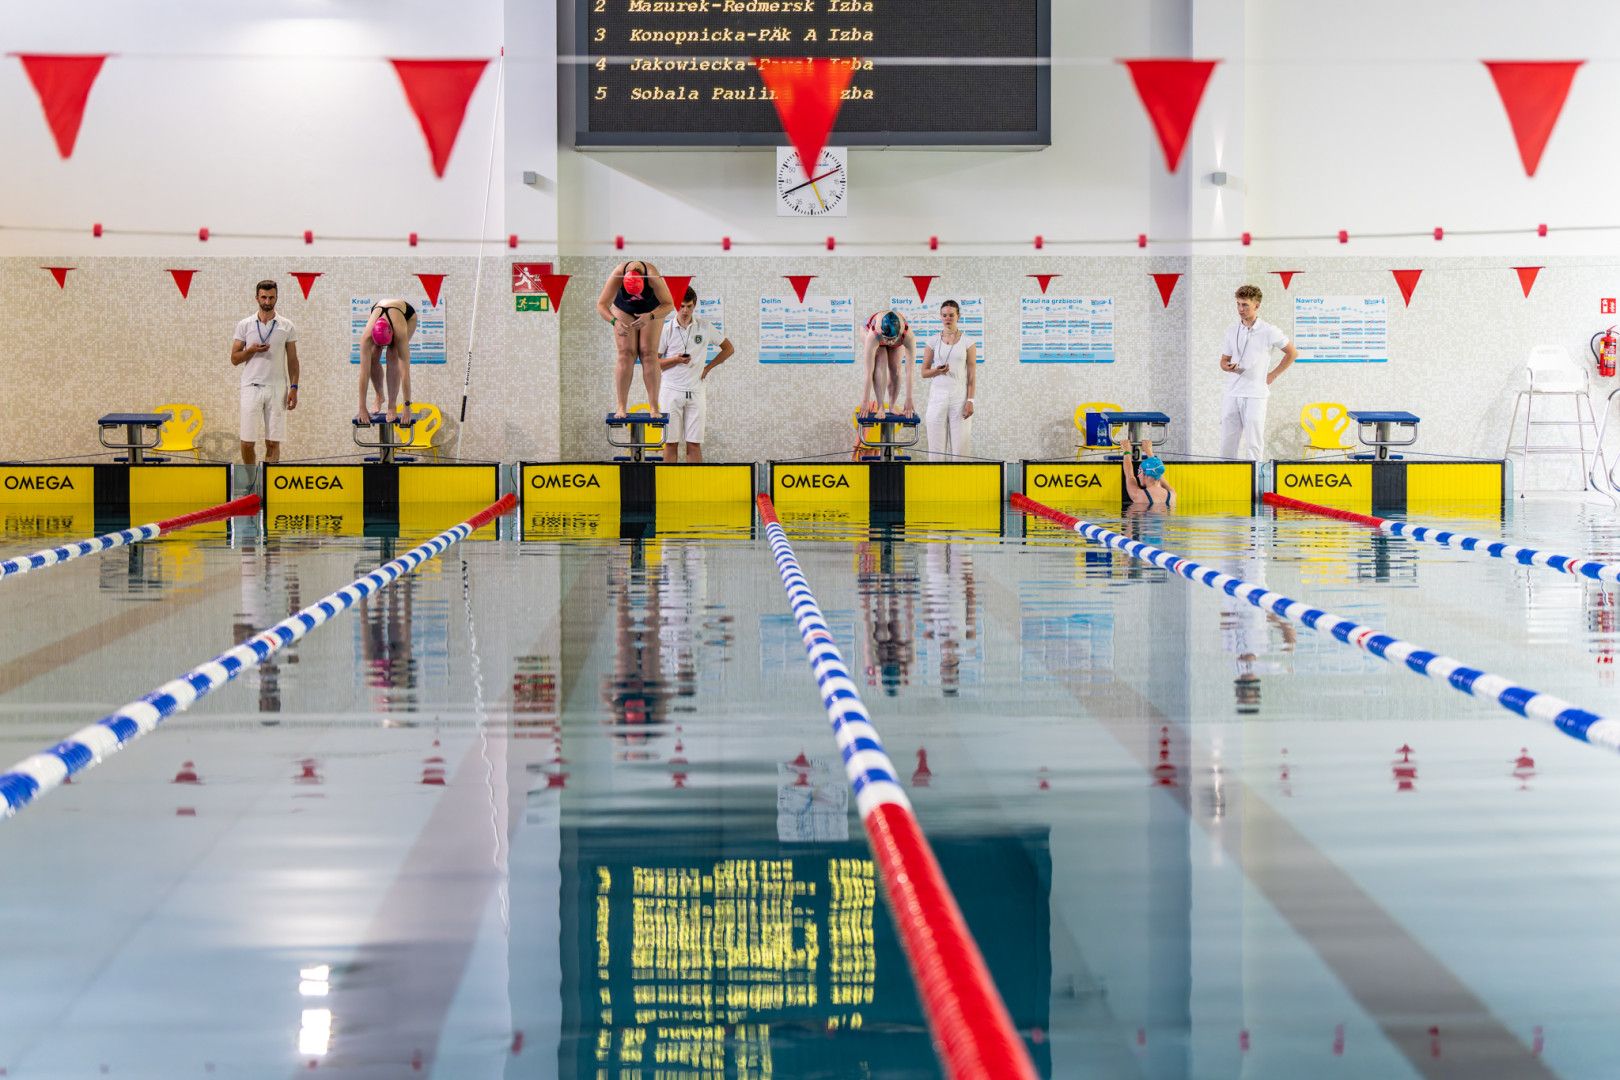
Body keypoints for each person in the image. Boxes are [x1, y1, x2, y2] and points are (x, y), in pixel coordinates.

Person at [1218, 284, 1297, 460]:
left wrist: (1273, 375)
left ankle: (1255, 477)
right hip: (1232, 392)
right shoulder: (1231, 330)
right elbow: (1223, 360)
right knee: (1227, 441)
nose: (1240, 309)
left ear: (1257, 305)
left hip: (1256, 394)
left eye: (1245, 305)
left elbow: (1292, 353)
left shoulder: (1269, 331)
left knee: (1254, 442)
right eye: (1238, 304)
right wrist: (1226, 366)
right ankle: (1224, 475)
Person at [657, 287, 735, 463]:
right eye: (682, 306)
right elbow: (653, 362)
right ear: (676, 305)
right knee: (670, 443)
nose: (685, 311)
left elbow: (729, 348)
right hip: (671, 391)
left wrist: (708, 368)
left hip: (696, 391)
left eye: (689, 306)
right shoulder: (666, 329)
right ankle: (669, 480)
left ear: (694, 306)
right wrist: (675, 359)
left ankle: (694, 480)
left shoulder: (705, 327)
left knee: (694, 443)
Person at [231, 279, 300, 464]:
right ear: (257, 298)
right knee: (247, 443)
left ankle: (268, 480)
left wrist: (294, 387)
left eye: (271, 297)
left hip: (277, 388)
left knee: (272, 442)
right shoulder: (245, 324)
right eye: (264, 297)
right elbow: (234, 359)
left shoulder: (286, 325)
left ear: (276, 297)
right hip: (251, 386)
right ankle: (251, 478)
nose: (267, 302)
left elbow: (293, 360)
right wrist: (251, 350)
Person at [596, 260, 676, 418]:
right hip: (623, 309)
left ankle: (654, 407)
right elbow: (601, 304)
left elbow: (669, 304)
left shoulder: (652, 276)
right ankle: (621, 407)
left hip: (652, 308)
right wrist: (614, 321)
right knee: (626, 353)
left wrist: (651, 316)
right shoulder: (617, 274)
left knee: (649, 353)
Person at [920, 299, 976, 458]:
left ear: (958, 316)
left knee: (960, 449)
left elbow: (971, 375)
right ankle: (936, 474)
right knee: (935, 449)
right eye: (944, 315)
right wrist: (937, 371)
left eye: (951, 315)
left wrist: (970, 401)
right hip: (937, 397)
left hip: (959, 397)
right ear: (940, 316)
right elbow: (924, 372)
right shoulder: (932, 341)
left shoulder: (968, 342)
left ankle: (960, 475)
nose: (947, 318)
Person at [356, 299, 417, 425]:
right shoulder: (366, 338)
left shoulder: (399, 333)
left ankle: (391, 405)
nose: (384, 347)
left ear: (392, 333)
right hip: (377, 308)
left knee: (393, 353)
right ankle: (379, 396)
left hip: (407, 315)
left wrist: (407, 406)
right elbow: (364, 373)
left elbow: (405, 373)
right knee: (373, 356)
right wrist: (362, 407)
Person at [859, 309, 916, 417]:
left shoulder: (908, 336)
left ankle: (892, 405)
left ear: (899, 333)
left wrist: (909, 398)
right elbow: (868, 372)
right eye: (887, 339)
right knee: (881, 361)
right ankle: (880, 407)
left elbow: (910, 371)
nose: (889, 343)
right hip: (867, 330)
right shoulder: (873, 335)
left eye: (892, 340)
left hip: (894, 337)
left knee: (896, 369)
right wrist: (865, 401)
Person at [1121, 438, 1174, 509]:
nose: (1138, 475)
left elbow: (1129, 476)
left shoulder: (1139, 495)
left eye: (1139, 471)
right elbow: (1158, 471)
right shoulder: (1172, 495)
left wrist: (1126, 451)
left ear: (1146, 474)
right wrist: (1148, 450)